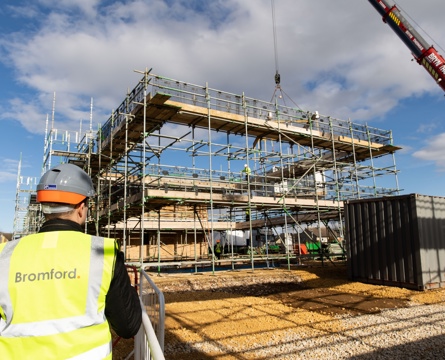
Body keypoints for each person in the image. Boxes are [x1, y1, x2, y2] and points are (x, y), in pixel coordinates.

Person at [0, 163, 142, 359]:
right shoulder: (103, 252)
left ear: (44, 209)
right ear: (81, 208)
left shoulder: (4, 255)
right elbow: (129, 326)